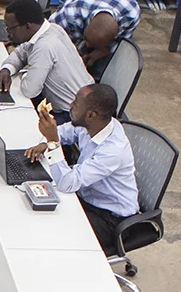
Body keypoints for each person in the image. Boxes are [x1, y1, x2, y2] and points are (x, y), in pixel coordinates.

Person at [23, 83, 138, 257]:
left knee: (52, 238)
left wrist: (52, 142)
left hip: (110, 219)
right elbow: (64, 132)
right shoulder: (94, 125)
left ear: (91, 115)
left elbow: (67, 184)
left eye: (76, 103)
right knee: (35, 211)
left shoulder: (113, 151)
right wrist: (45, 142)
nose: (70, 105)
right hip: (86, 197)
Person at [0, 0, 91, 114]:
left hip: (72, 114)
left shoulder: (44, 46)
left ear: (28, 26)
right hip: (85, 100)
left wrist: (24, 73)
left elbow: (29, 90)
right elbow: (19, 53)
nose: (8, 34)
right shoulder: (52, 28)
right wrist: (6, 70)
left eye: (10, 29)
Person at [52, 0, 141, 81]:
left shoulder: (131, 15)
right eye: (86, 38)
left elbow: (120, 46)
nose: (87, 44)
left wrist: (103, 51)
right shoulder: (71, 14)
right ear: (90, 20)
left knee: (103, 67)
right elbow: (49, 36)